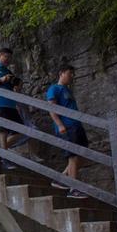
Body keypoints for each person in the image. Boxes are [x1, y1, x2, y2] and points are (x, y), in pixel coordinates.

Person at [46, 65, 88, 198]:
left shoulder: (68, 90)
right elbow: (51, 108)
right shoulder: (54, 88)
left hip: (76, 125)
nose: (72, 76)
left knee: (82, 155)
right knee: (73, 156)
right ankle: (73, 189)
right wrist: (59, 125)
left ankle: (62, 179)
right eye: (70, 73)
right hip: (67, 126)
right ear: (61, 73)